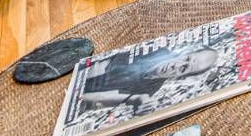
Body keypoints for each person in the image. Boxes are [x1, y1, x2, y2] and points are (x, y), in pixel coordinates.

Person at [78, 46, 219, 107]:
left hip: (82, 91)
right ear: (186, 53)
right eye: (187, 58)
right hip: (85, 71)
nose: (176, 65)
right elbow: (104, 63)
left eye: (184, 68)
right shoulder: (156, 50)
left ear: (180, 77)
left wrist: (136, 99)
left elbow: (99, 97)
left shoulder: (150, 89)